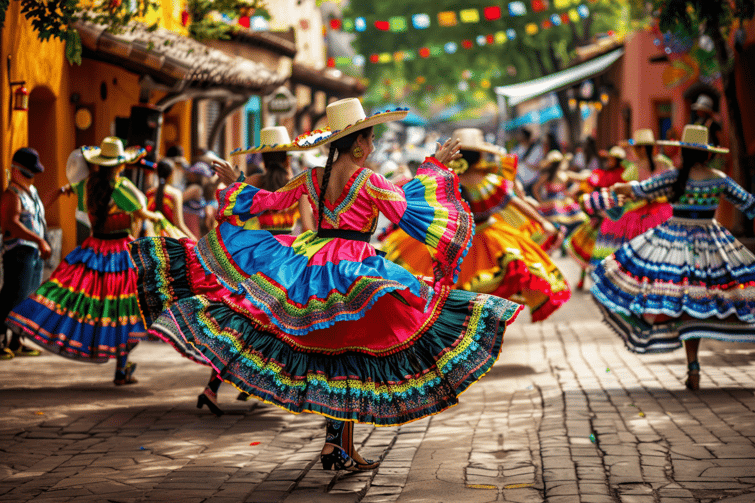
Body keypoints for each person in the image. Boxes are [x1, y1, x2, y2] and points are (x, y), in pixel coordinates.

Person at [129, 98, 522, 471]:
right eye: (368, 138)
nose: (371, 144)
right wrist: (434, 168)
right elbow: (405, 210)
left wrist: (238, 187)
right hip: (353, 271)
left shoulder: (312, 178)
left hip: (309, 266)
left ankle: (339, 442)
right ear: (355, 147)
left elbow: (267, 203)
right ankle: (338, 442)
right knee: (353, 352)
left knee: (335, 354)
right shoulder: (370, 182)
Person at [592, 125, 755, 390]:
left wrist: (610, 193)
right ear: (706, 154)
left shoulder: (673, 177)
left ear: (684, 152)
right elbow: (749, 203)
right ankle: (693, 364)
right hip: (711, 245)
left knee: (683, 302)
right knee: (701, 301)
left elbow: (638, 190)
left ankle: (693, 365)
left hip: (673, 245)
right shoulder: (719, 178)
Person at [5, 137, 162, 384]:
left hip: (94, 252)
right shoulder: (121, 187)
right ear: (120, 165)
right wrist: (157, 215)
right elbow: (141, 209)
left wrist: (62, 191)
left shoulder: (86, 185)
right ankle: (121, 367)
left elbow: (65, 190)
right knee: (129, 308)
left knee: (81, 303)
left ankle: (26, 322)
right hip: (121, 252)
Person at [382, 128, 569, 321]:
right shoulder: (488, 181)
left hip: (450, 239)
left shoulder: (442, 179)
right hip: (487, 237)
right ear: (480, 154)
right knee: (497, 277)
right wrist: (542, 222)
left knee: (448, 288)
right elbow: (516, 202)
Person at [192, 126, 316, 416]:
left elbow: (232, 211)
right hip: (288, 260)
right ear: (288, 157)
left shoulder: (253, 181)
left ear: (262, 156)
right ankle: (267, 387)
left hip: (255, 256)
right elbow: (309, 228)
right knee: (281, 327)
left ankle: (212, 388)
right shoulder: (298, 184)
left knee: (243, 324)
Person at [590, 129, 673, 268]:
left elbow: (624, 191)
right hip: (661, 210)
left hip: (646, 212)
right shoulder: (662, 162)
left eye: (637, 147)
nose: (636, 151)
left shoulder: (637, 167)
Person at [0, 148, 50, 359]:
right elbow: (10, 223)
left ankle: (17, 339)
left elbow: (39, 213)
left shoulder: (31, 192)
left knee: (25, 299)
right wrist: (38, 240)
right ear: (16, 170)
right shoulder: (12, 195)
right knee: (11, 298)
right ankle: (1, 340)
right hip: (18, 252)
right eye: (29, 173)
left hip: (34, 254)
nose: (32, 177)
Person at [565, 146, 627, 289]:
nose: (608, 161)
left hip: (611, 219)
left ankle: (603, 283)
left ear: (617, 161)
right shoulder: (602, 173)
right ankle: (582, 281)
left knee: (603, 253)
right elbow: (589, 181)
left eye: (611, 159)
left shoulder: (621, 175)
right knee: (587, 251)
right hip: (597, 217)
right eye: (608, 159)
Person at [532, 150, 588, 238]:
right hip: (558, 203)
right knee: (568, 225)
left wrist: (540, 201)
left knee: (558, 227)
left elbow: (535, 188)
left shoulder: (550, 175)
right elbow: (580, 179)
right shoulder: (562, 175)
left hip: (554, 203)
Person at [146, 159, 197, 241]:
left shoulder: (149, 193)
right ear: (172, 173)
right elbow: (179, 224)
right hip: (169, 240)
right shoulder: (175, 194)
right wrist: (193, 239)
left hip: (150, 238)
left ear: (157, 173)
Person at [511, 128, 543, 196]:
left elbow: (540, 165)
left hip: (533, 182)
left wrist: (529, 164)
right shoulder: (516, 149)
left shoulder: (537, 149)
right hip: (520, 180)